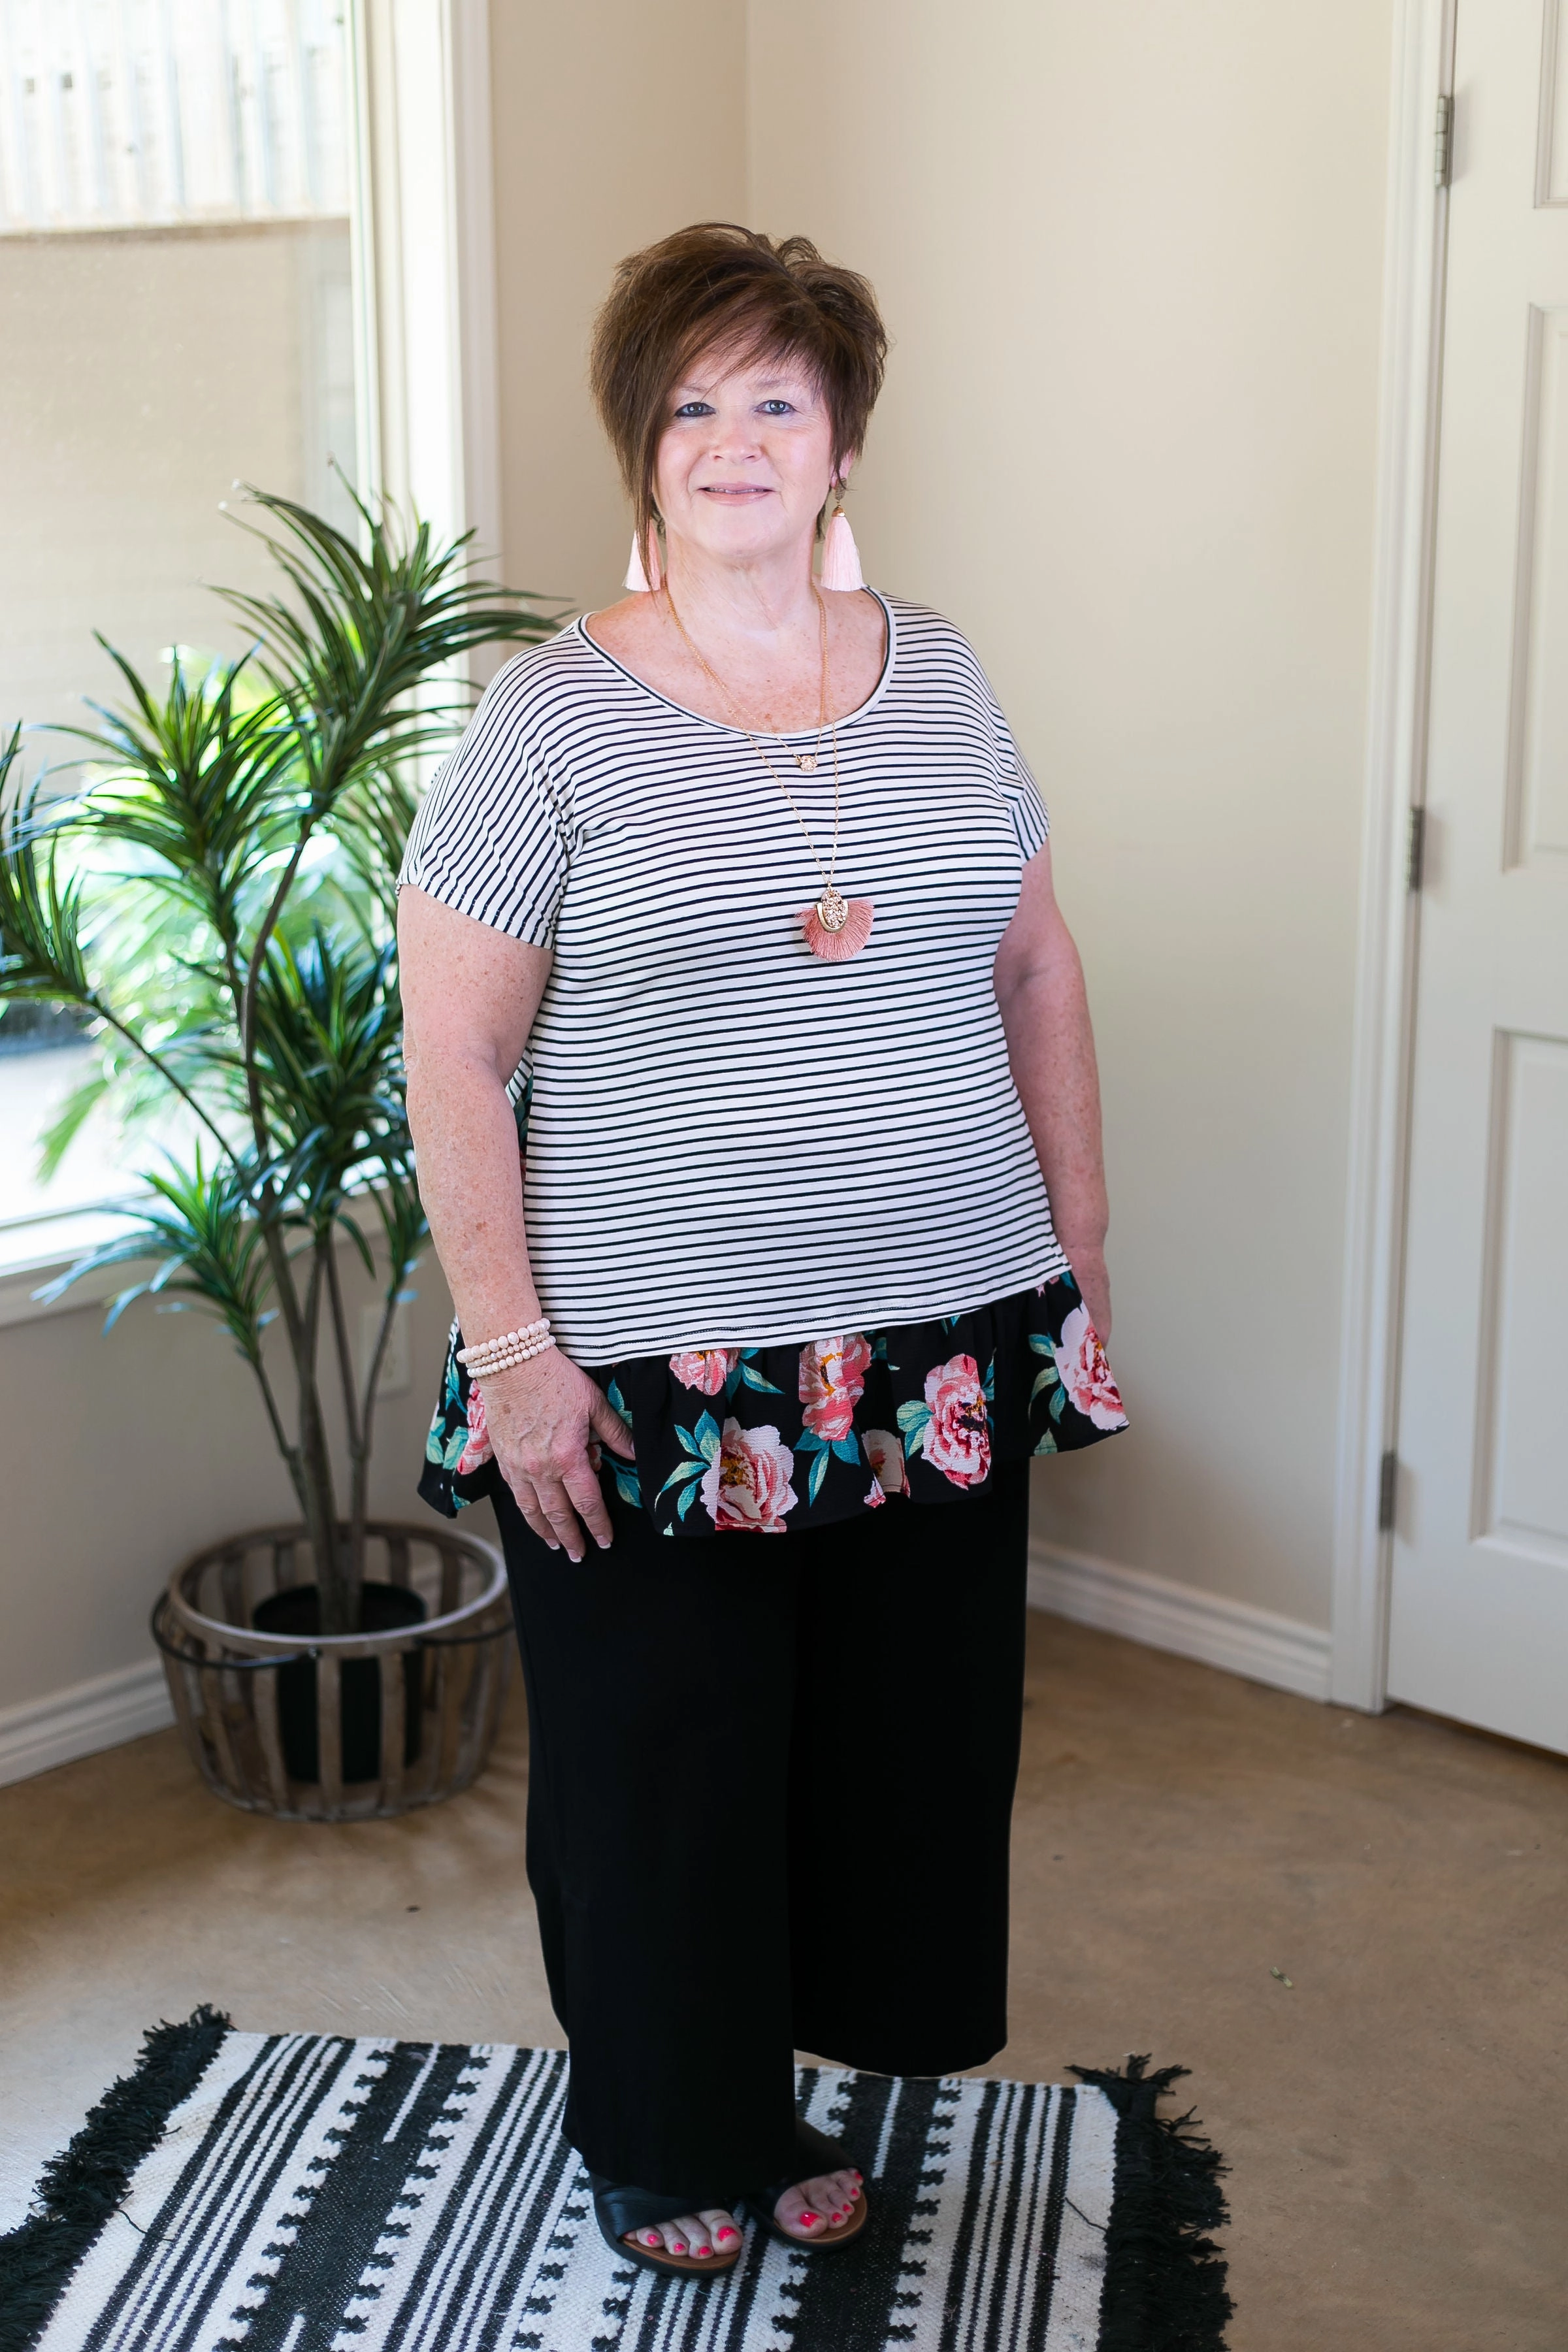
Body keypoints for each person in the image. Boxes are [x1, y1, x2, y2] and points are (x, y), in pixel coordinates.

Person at [397, 222, 1126, 2281]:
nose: (735, 439)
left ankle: (781, 2079)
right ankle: (666, 2125)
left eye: (775, 400)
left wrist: (1072, 1263)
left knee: (882, 1749)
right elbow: (449, 1047)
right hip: (646, 1356)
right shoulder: (551, 723)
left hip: (938, 1328)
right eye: (693, 403)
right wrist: (515, 1347)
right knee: (666, 1761)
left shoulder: (946, 672)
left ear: (841, 441)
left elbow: (1036, 967)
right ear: (644, 449)